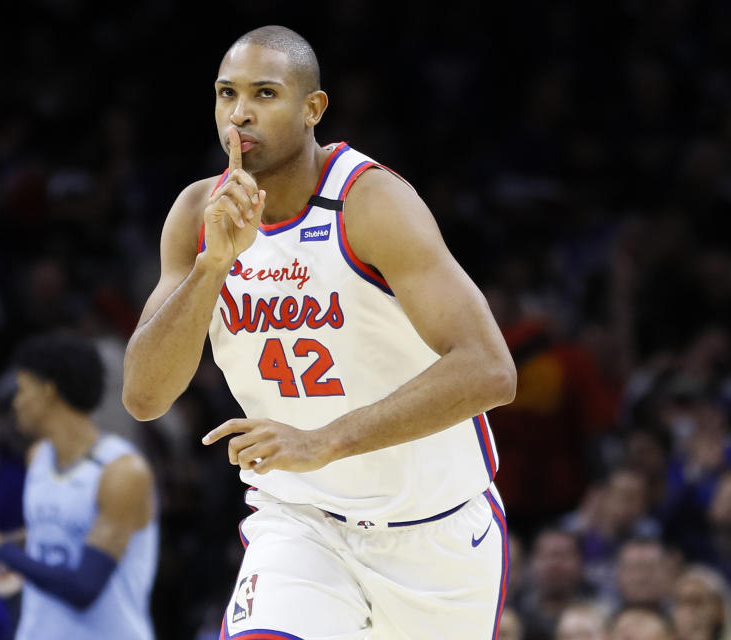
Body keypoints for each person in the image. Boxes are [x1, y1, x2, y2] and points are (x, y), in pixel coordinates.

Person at [122, 25, 517, 639]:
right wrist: (212, 268)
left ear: (313, 108)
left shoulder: (370, 202)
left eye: (264, 94)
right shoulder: (200, 215)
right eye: (227, 94)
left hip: (434, 532)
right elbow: (144, 398)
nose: (241, 113)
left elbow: (490, 370)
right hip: (300, 520)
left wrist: (323, 440)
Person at [0, 334, 158, 640]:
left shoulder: (122, 472)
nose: (15, 403)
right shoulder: (39, 457)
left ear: (48, 391)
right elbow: (51, 533)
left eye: (22, 389)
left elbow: (85, 587)